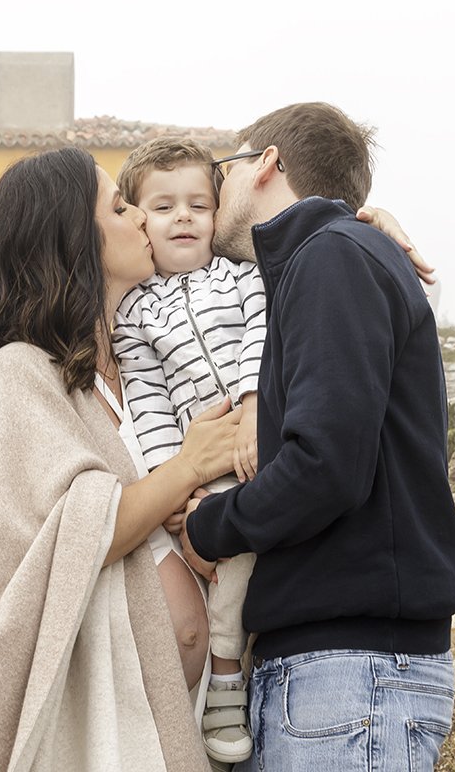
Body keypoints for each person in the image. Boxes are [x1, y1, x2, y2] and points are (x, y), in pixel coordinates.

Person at [0, 146, 240, 772]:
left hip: (200, 708)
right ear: (75, 238)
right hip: (98, 731)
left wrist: (359, 227)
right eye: (119, 206)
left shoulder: (145, 361)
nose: (139, 219)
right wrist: (187, 467)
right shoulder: (22, 372)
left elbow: (265, 250)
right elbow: (80, 532)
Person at [182, 103, 455, 771]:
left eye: (224, 169)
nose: (214, 190)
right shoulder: (329, 258)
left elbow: (327, 465)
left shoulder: (332, 259)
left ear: (266, 165)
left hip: (349, 675)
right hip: (340, 676)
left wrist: (208, 527)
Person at [112, 136, 269, 767]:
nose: (184, 217)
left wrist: (254, 404)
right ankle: (222, 669)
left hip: (260, 442)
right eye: (164, 206)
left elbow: (264, 335)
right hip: (199, 466)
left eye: (199, 205)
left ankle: (229, 667)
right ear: (139, 220)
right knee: (223, 552)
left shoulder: (244, 277)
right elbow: (147, 404)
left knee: (253, 539)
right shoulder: (135, 314)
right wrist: (169, 490)